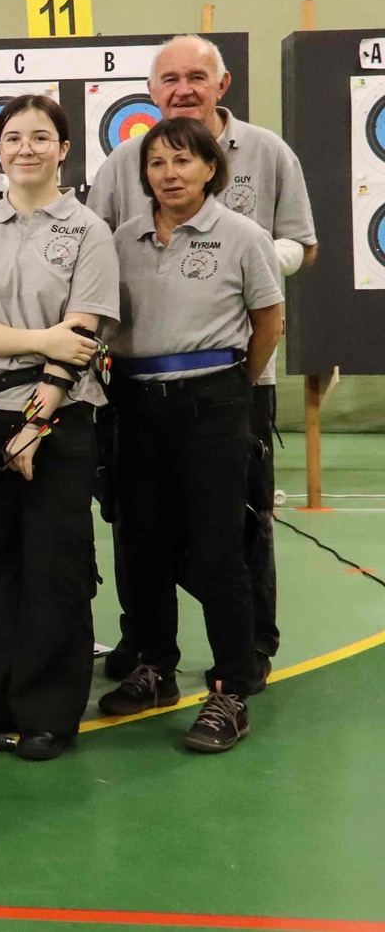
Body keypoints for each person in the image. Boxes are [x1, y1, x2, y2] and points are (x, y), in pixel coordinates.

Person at [86, 34, 317, 685]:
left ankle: (248, 650)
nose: (183, 88)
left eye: (196, 76)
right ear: (151, 91)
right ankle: (147, 647)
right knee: (139, 526)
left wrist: (249, 262)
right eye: (169, 78)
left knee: (235, 529)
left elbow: (300, 247)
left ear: (223, 83)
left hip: (231, 382)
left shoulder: (268, 153)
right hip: (138, 389)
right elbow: (94, 252)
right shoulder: (122, 163)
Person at [0, 94, 119, 761]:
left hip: (57, 417)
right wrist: (44, 337)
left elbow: (82, 336)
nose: (26, 149)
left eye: (41, 137)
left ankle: (47, 712)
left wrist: (36, 423)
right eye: (13, 137)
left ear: (63, 149)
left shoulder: (89, 231)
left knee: (54, 567)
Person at [98, 117, 284, 753]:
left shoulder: (243, 237)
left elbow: (269, 319)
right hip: (134, 404)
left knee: (217, 550)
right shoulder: (121, 240)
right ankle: (155, 668)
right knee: (142, 543)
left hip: (213, 403)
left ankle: (231, 688)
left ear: (210, 168)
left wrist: (234, 387)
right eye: (157, 163)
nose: (169, 174)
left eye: (182, 161)